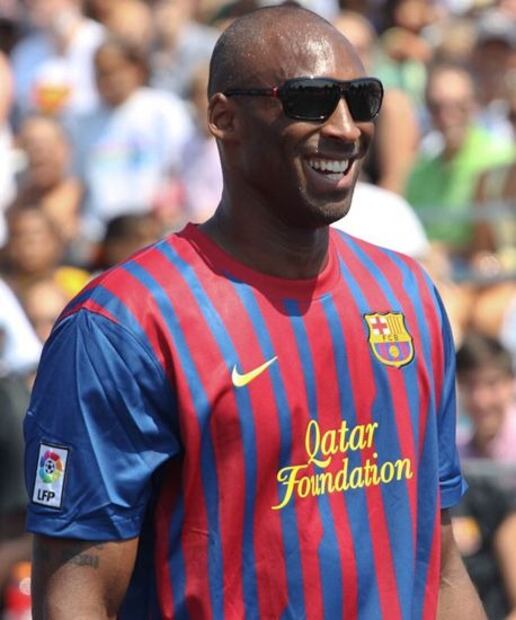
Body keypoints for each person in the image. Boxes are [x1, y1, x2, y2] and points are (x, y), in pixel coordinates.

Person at [25, 6, 486, 619]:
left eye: (361, 99)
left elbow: (440, 564)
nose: (345, 128)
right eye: (309, 100)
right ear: (224, 118)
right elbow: (76, 597)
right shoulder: (123, 326)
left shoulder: (408, 296)